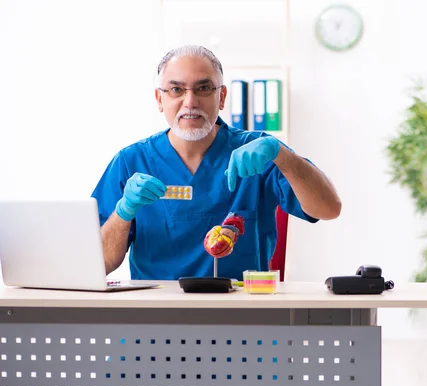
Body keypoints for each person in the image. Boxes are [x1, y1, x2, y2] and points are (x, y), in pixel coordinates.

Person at [91, 45, 342, 281]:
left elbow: (329, 209)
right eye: (177, 90)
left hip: (241, 315)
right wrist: (123, 212)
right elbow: (98, 264)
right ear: (159, 99)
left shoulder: (258, 152)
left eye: (203, 88)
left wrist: (282, 155)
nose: (190, 102)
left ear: (221, 97)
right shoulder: (131, 161)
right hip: (157, 315)